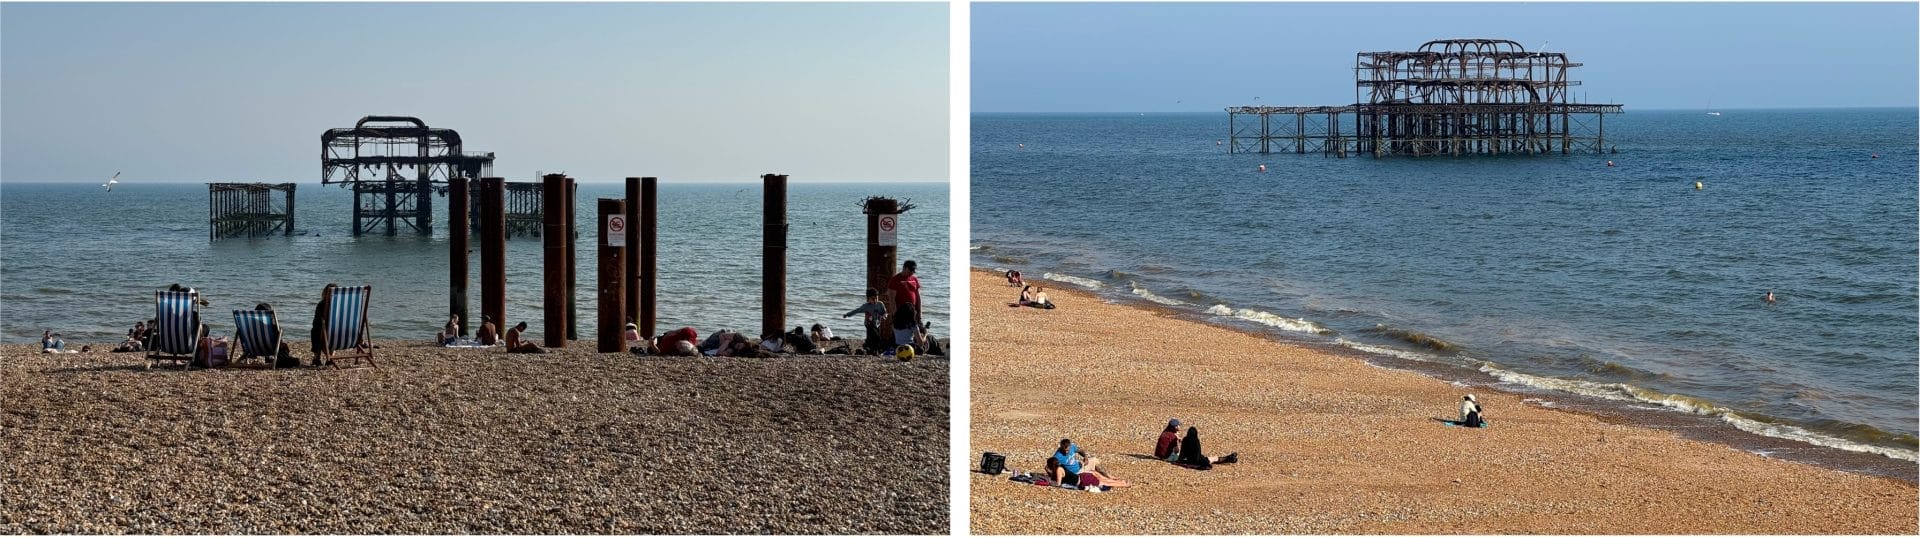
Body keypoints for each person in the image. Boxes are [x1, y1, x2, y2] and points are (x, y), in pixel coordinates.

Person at [1047, 439, 1131, 489]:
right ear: (1060, 447)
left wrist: (1085, 457)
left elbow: (1080, 451)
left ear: (1070, 446)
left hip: (1081, 470)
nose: (1067, 452)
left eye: (1068, 450)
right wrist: (1050, 474)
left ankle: (1112, 478)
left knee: (1095, 465)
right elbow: (1049, 465)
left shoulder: (1072, 446)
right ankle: (1120, 482)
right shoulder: (1057, 456)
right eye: (1065, 450)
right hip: (1077, 473)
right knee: (1099, 478)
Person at [887, 260, 924, 344]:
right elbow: (892, 299)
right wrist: (895, 314)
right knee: (900, 331)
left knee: (915, 329)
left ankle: (915, 345)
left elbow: (918, 296)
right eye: (911, 270)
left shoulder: (914, 279)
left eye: (913, 270)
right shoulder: (895, 280)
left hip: (912, 312)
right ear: (905, 268)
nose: (912, 272)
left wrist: (919, 313)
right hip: (901, 312)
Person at [844, 288, 890, 353]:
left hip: (877, 323)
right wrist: (847, 314)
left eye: (876, 298)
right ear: (868, 299)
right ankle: (873, 348)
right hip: (868, 323)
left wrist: (885, 315)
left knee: (871, 337)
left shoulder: (880, 304)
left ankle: (869, 347)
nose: (875, 300)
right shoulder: (866, 306)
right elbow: (857, 310)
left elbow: (884, 312)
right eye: (873, 299)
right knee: (876, 336)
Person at [309, 283, 337, 366]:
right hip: (341, 335)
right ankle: (331, 355)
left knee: (315, 331)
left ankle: (317, 357)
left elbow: (316, 323)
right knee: (327, 331)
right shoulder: (343, 305)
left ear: (325, 293)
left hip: (326, 334)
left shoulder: (322, 304)